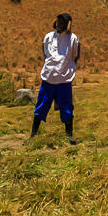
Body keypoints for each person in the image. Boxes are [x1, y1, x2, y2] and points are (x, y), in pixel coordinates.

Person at [31, 13, 81, 144]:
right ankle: (33, 135)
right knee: (41, 106)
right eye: (58, 21)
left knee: (66, 107)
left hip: (64, 79)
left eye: (63, 22)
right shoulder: (48, 37)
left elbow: (75, 56)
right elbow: (46, 54)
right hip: (48, 78)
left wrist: (66, 68)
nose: (60, 24)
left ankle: (69, 136)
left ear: (68, 25)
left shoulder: (73, 39)